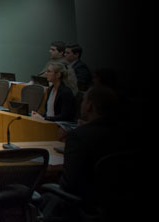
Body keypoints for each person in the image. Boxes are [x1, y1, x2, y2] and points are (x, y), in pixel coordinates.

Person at [40, 86, 124, 220]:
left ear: (89, 106)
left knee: (46, 197)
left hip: (84, 206)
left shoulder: (78, 136)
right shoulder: (128, 134)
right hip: (117, 204)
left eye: (83, 101)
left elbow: (68, 185)